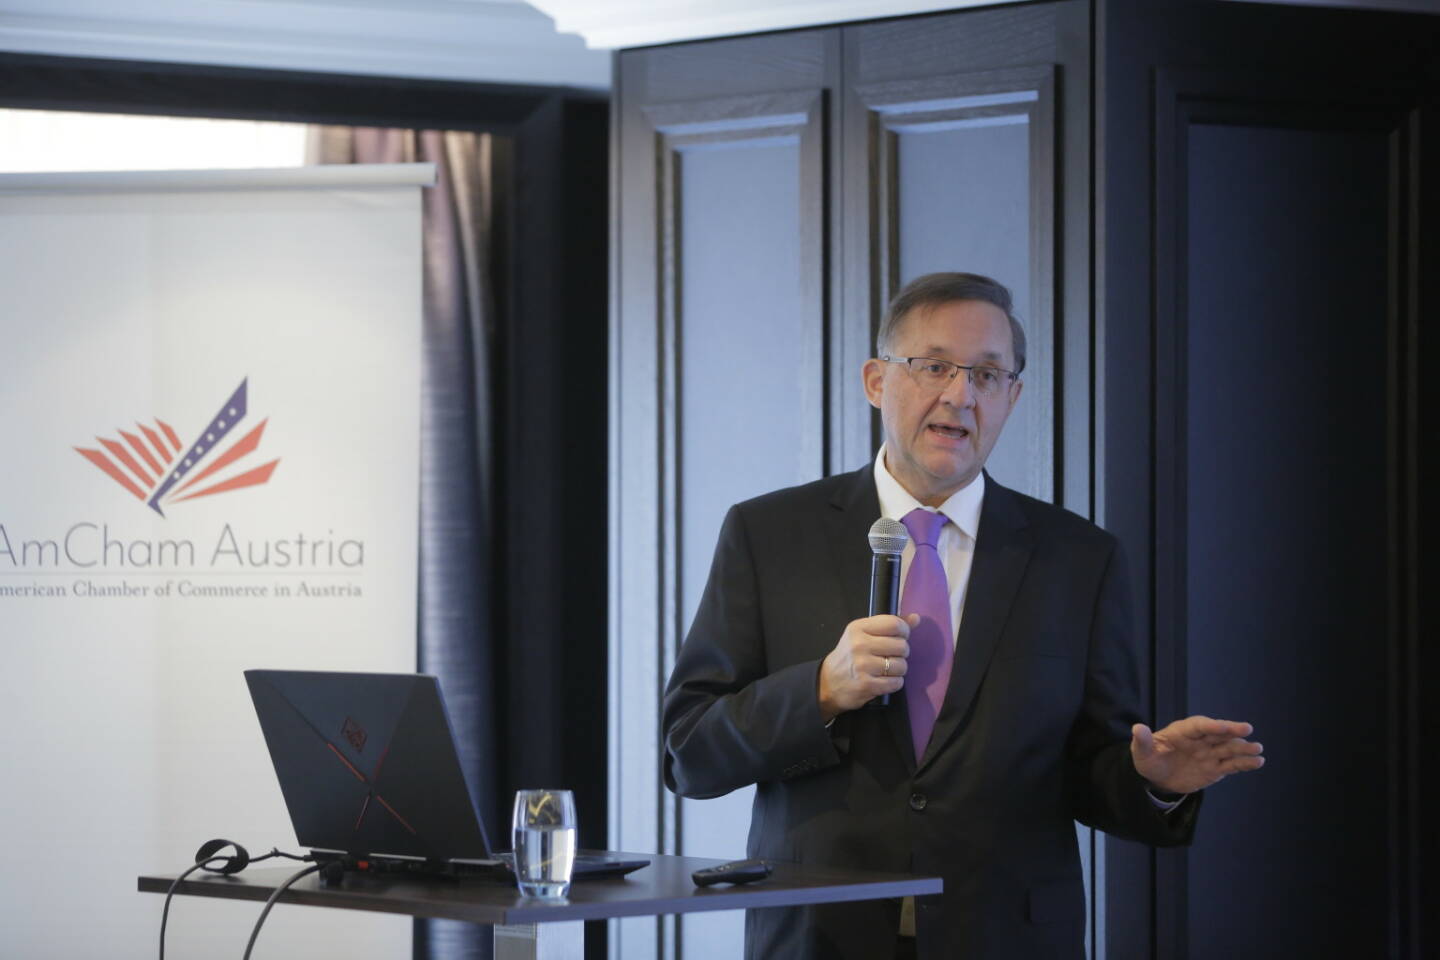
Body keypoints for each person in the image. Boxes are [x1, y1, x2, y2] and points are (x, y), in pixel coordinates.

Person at [661, 272, 1264, 960]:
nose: (960, 394)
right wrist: (821, 689)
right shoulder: (768, 534)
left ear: (1013, 397)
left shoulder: (1077, 558)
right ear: (875, 381)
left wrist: (1153, 783)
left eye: (986, 374)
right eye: (934, 366)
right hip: (818, 936)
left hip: (1010, 937)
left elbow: (1089, 768)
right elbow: (690, 753)